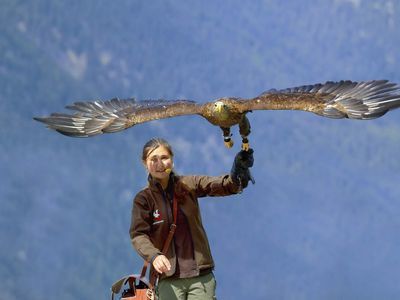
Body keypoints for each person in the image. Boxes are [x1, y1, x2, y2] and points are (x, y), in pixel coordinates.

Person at [130, 138, 254, 300]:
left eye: (164, 158)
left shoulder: (188, 184)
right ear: (145, 163)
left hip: (200, 277)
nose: (160, 164)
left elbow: (220, 185)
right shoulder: (144, 199)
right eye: (153, 159)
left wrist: (237, 175)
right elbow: (138, 235)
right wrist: (154, 256)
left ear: (172, 160)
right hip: (169, 279)